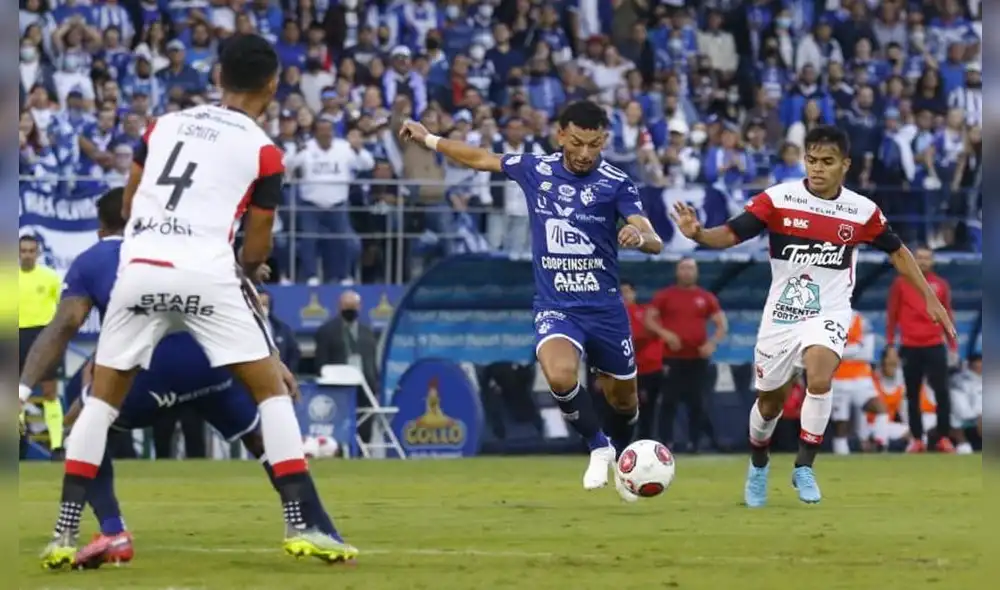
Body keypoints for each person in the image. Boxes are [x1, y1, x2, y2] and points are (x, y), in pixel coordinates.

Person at [25, 34, 357, 569]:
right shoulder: (265, 151)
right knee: (271, 393)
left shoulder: (164, 125)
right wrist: (248, 271)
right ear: (273, 85)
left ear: (218, 77)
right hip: (207, 271)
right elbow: (257, 244)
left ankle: (64, 534)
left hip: (140, 267)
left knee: (98, 401)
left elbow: (131, 201)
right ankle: (301, 526)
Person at [18, 188, 350, 568]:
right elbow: (243, 293)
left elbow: (65, 325)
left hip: (147, 370)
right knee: (265, 441)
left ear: (100, 229)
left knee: (83, 423)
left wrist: (22, 389)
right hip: (208, 363)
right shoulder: (183, 243)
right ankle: (321, 529)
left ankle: (112, 530)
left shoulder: (94, 259)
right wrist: (274, 358)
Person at [670, 125, 956, 507]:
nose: (817, 168)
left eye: (827, 161)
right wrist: (700, 235)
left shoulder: (862, 211)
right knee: (769, 405)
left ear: (845, 165)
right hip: (782, 317)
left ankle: (804, 466)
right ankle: (758, 464)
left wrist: (929, 299)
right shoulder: (779, 199)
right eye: (811, 160)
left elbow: (898, 251)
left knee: (819, 377)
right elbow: (734, 233)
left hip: (829, 311)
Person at [398, 100, 664, 502]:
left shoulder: (616, 183)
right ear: (560, 136)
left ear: (604, 141)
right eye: (577, 142)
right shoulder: (535, 170)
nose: (585, 153)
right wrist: (429, 138)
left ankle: (625, 462)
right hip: (557, 307)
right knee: (559, 376)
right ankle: (598, 446)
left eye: (594, 145)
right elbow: (480, 158)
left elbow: (653, 238)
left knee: (623, 401)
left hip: (605, 309)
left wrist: (639, 238)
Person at [646, 258, 726, 452]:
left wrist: (712, 343)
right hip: (671, 358)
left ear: (696, 272)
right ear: (677, 271)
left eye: (690, 268)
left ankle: (694, 443)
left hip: (697, 358)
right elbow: (649, 319)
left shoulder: (705, 297)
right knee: (668, 402)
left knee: (697, 403)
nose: (687, 272)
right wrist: (665, 334)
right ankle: (666, 443)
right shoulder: (665, 295)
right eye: (683, 268)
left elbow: (721, 324)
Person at [886, 246, 958, 453]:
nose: (923, 261)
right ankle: (917, 439)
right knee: (912, 393)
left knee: (942, 392)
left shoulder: (941, 285)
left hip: (935, 344)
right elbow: (892, 315)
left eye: (926, 258)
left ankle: (944, 437)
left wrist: (952, 345)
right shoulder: (900, 284)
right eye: (919, 257)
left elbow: (947, 313)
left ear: (932, 262)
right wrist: (891, 344)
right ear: (913, 259)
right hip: (909, 345)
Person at [18, 234, 65, 457]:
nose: (26, 255)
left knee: (49, 391)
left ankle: (57, 445)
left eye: (30, 251)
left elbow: (63, 309)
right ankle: (17, 443)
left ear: (37, 253)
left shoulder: (50, 278)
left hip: (44, 336)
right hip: (16, 335)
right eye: (23, 251)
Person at [314, 290, 379, 442]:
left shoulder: (367, 332)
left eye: (353, 306)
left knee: (365, 428)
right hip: (338, 389)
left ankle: (362, 455)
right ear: (339, 307)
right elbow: (320, 362)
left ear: (360, 307)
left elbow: (372, 360)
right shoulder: (327, 331)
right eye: (347, 306)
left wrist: (375, 383)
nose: (350, 310)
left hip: (365, 388)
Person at [829, 310, 892, 454]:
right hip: (837, 380)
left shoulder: (860, 320)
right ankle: (841, 462)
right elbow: (825, 350)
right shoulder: (827, 317)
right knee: (841, 426)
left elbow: (867, 353)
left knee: (880, 409)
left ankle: (880, 446)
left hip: (861, 380)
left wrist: (839, 352)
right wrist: (855, 348)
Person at [621, 280, 663, 442]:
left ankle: (646, 442)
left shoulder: (644, 313)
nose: (624, 295)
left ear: (634, 293)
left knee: (647, 409)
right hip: (622, 371)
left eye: (627, 291)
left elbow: (646, 336)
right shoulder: (611, 315)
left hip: (647, 370)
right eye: (621, 292)